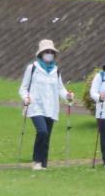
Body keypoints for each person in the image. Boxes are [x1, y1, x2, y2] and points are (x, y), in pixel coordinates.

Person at [19, 39, 74, 171]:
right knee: (42, 131)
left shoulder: (56, 70)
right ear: (41, 54)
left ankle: (43, 164)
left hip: (51, 108)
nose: (49, 54)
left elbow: (60, 88)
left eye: (51, 52)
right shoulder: (32, 68)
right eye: (46, 52)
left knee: (47, 135)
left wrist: (67, 96)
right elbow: (23, 87)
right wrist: (26, 97)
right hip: (35, 106)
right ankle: (37, 161)